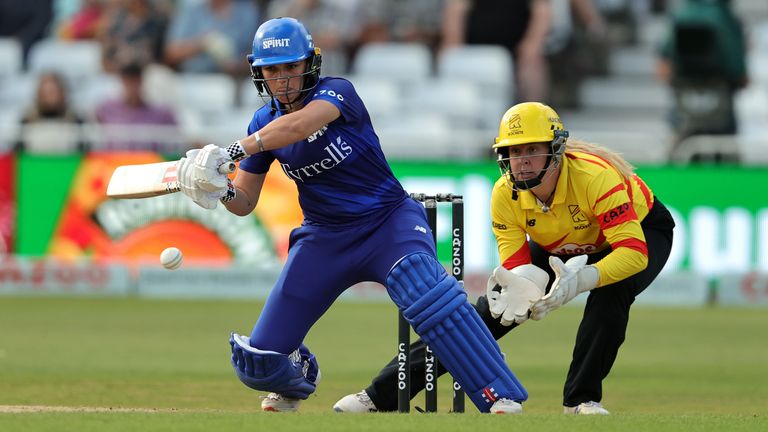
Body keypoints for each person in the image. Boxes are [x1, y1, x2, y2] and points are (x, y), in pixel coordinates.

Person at [174, 17, 528, 414]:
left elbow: (299, 126)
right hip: (324, 239)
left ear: (310, 63)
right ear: (259, 74)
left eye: (291, 67)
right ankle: (297, 376)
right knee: (257, 360)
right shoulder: (261, 123)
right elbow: (244, 203)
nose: (284, 79)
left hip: (388, 223)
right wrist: (218, 188)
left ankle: (499, 393)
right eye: (273, 70)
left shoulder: (336, 92)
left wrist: (235, 150)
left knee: (429, 295)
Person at [334, 102, 675, 414]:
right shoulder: (504, 194)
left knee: (611, 294)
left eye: (532, 150)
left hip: (640, 234)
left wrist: (579, 282)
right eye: (513, 151)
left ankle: (581, 400)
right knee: (480, 317)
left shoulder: (596, 177)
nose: (522, 160)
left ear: (555, 152)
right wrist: (520, 291)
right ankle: (379, 396)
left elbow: (632, 254)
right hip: (561, 244)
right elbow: (516, 266)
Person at [656, 0, 748, 156]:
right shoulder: (726, 17)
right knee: (723, 145)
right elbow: (737, 65)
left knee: (683, 140)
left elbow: (664, 63)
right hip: (720, 92)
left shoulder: (681, 14)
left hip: (685, 93)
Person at [94, 61, 178, 151]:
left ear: (142, 81)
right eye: (128, 81)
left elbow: (175, 137)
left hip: (150, 161)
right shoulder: (106, 109)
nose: (132, 87)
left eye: (135, 81)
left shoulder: (162, 113)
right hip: (114, 161)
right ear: (122, 82)